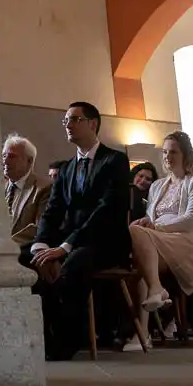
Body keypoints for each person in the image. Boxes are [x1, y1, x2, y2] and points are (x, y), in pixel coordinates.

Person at [23, 102, 130, 361]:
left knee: (74, 264)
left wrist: (65, 246)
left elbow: (107, 211)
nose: (67, 125)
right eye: (65, 121)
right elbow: (53, 211)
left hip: (105, 241)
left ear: (93, 124)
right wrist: (41, 244)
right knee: (24, 258)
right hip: (71, 241)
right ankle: (42, 338)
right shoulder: (68, 168)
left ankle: (67, 342)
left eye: (74, 119)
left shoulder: (114, 160)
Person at [127, 133, 193, 348]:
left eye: (173, 151)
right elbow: (153, 219)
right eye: (164, 152)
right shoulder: (157, 186)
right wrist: (147, 221)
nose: (168, 156)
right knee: (137, 239)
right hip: (160, 240)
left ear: (185, 154)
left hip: (191, 243)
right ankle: (144, 327)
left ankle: (152, 304)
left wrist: (156, 226)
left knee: (141, 246)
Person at [2, 134, 51, 246]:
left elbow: (39, 227)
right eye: (4, 156)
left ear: (29, 161)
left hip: (23, 251)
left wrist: (6, 246)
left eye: (11, 156)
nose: (5, 161)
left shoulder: (44, 188)